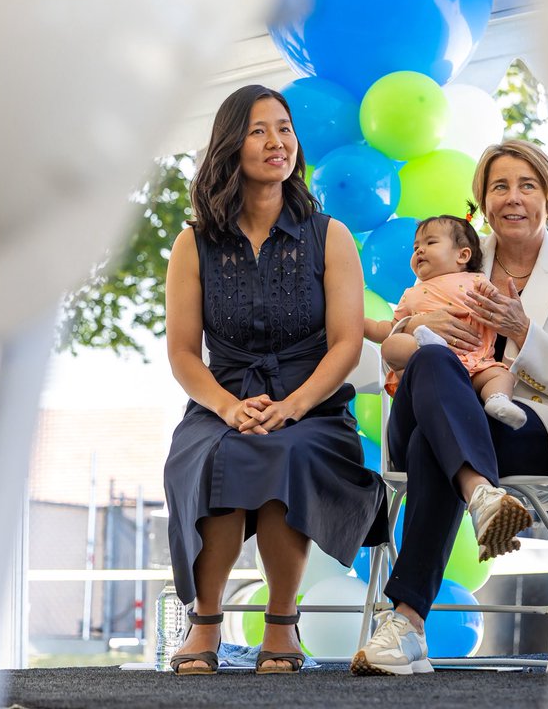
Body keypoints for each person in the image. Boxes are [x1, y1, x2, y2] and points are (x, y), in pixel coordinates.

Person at [352, 139, 548, 677]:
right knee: (431, 361)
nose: (512, 198)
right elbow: (392, 347)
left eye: (527, 185)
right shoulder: (450, 257)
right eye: (499, 187)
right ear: (483, 200)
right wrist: (415, 332)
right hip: (430, 400)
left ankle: (406, 624)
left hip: (521, 425)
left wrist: (523, 331)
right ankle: (481, 494)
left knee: (433, 442)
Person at [163, 85, 387, 676]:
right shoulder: (193, 244)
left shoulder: (329, 235)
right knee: (215, 451)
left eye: (284, 128)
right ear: (231, 145)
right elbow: (184, 354)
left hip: (313, 404)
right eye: (259, 130)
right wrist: (227, 407)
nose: (276, 142)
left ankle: (281, 624)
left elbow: (345, 343)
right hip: (220, 400)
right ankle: (204, 621)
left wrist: (290, 406)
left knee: (287, 450)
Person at [364, 210, 527, 431]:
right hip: (430, 368)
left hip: (475, 364)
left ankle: (498, 400)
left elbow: (497, 309)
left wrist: (494, 295)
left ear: (462, 256)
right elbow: (389, 328)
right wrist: (358, 322)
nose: (419, 250)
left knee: (500, 374)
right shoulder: (411, 294)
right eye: (415, 248)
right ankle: (432, 348)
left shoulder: (477, 280)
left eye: (430, 242)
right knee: (392, 345)